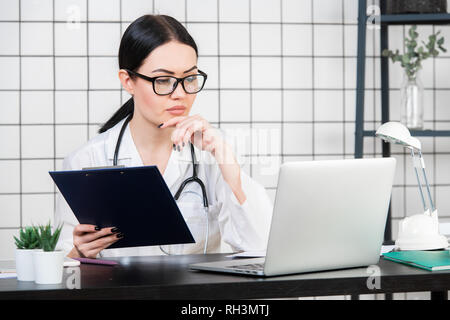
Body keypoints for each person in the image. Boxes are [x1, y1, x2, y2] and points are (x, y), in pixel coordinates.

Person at [55, 14, 272, 258]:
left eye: (189, 78)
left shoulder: (214, 154)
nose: (180, 93)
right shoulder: (88, 160)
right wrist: (80, 253)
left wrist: (228, 166)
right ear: (128, 81)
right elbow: (64, 272)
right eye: (163, 80)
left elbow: (263, 249)